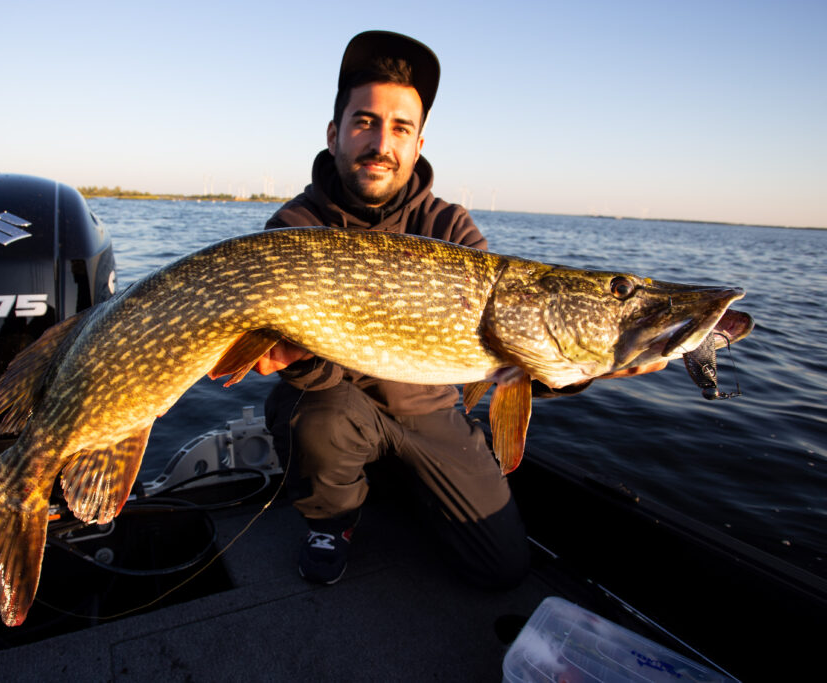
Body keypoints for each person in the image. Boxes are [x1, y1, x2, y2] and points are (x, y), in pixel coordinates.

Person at [258, 31, 659, 588]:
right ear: (335, 134)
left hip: (429, 411)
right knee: (318, 421)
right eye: (365, 122)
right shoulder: (294, 229)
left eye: (400, 128)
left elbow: (515, 352)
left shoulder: (451, 227)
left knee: (500, 569)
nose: (381, 142)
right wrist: (294, 359)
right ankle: (334, 518)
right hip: (334, 400)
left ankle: (394, 484)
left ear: (418, 144)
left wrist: (592, 361)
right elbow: (307, 369)